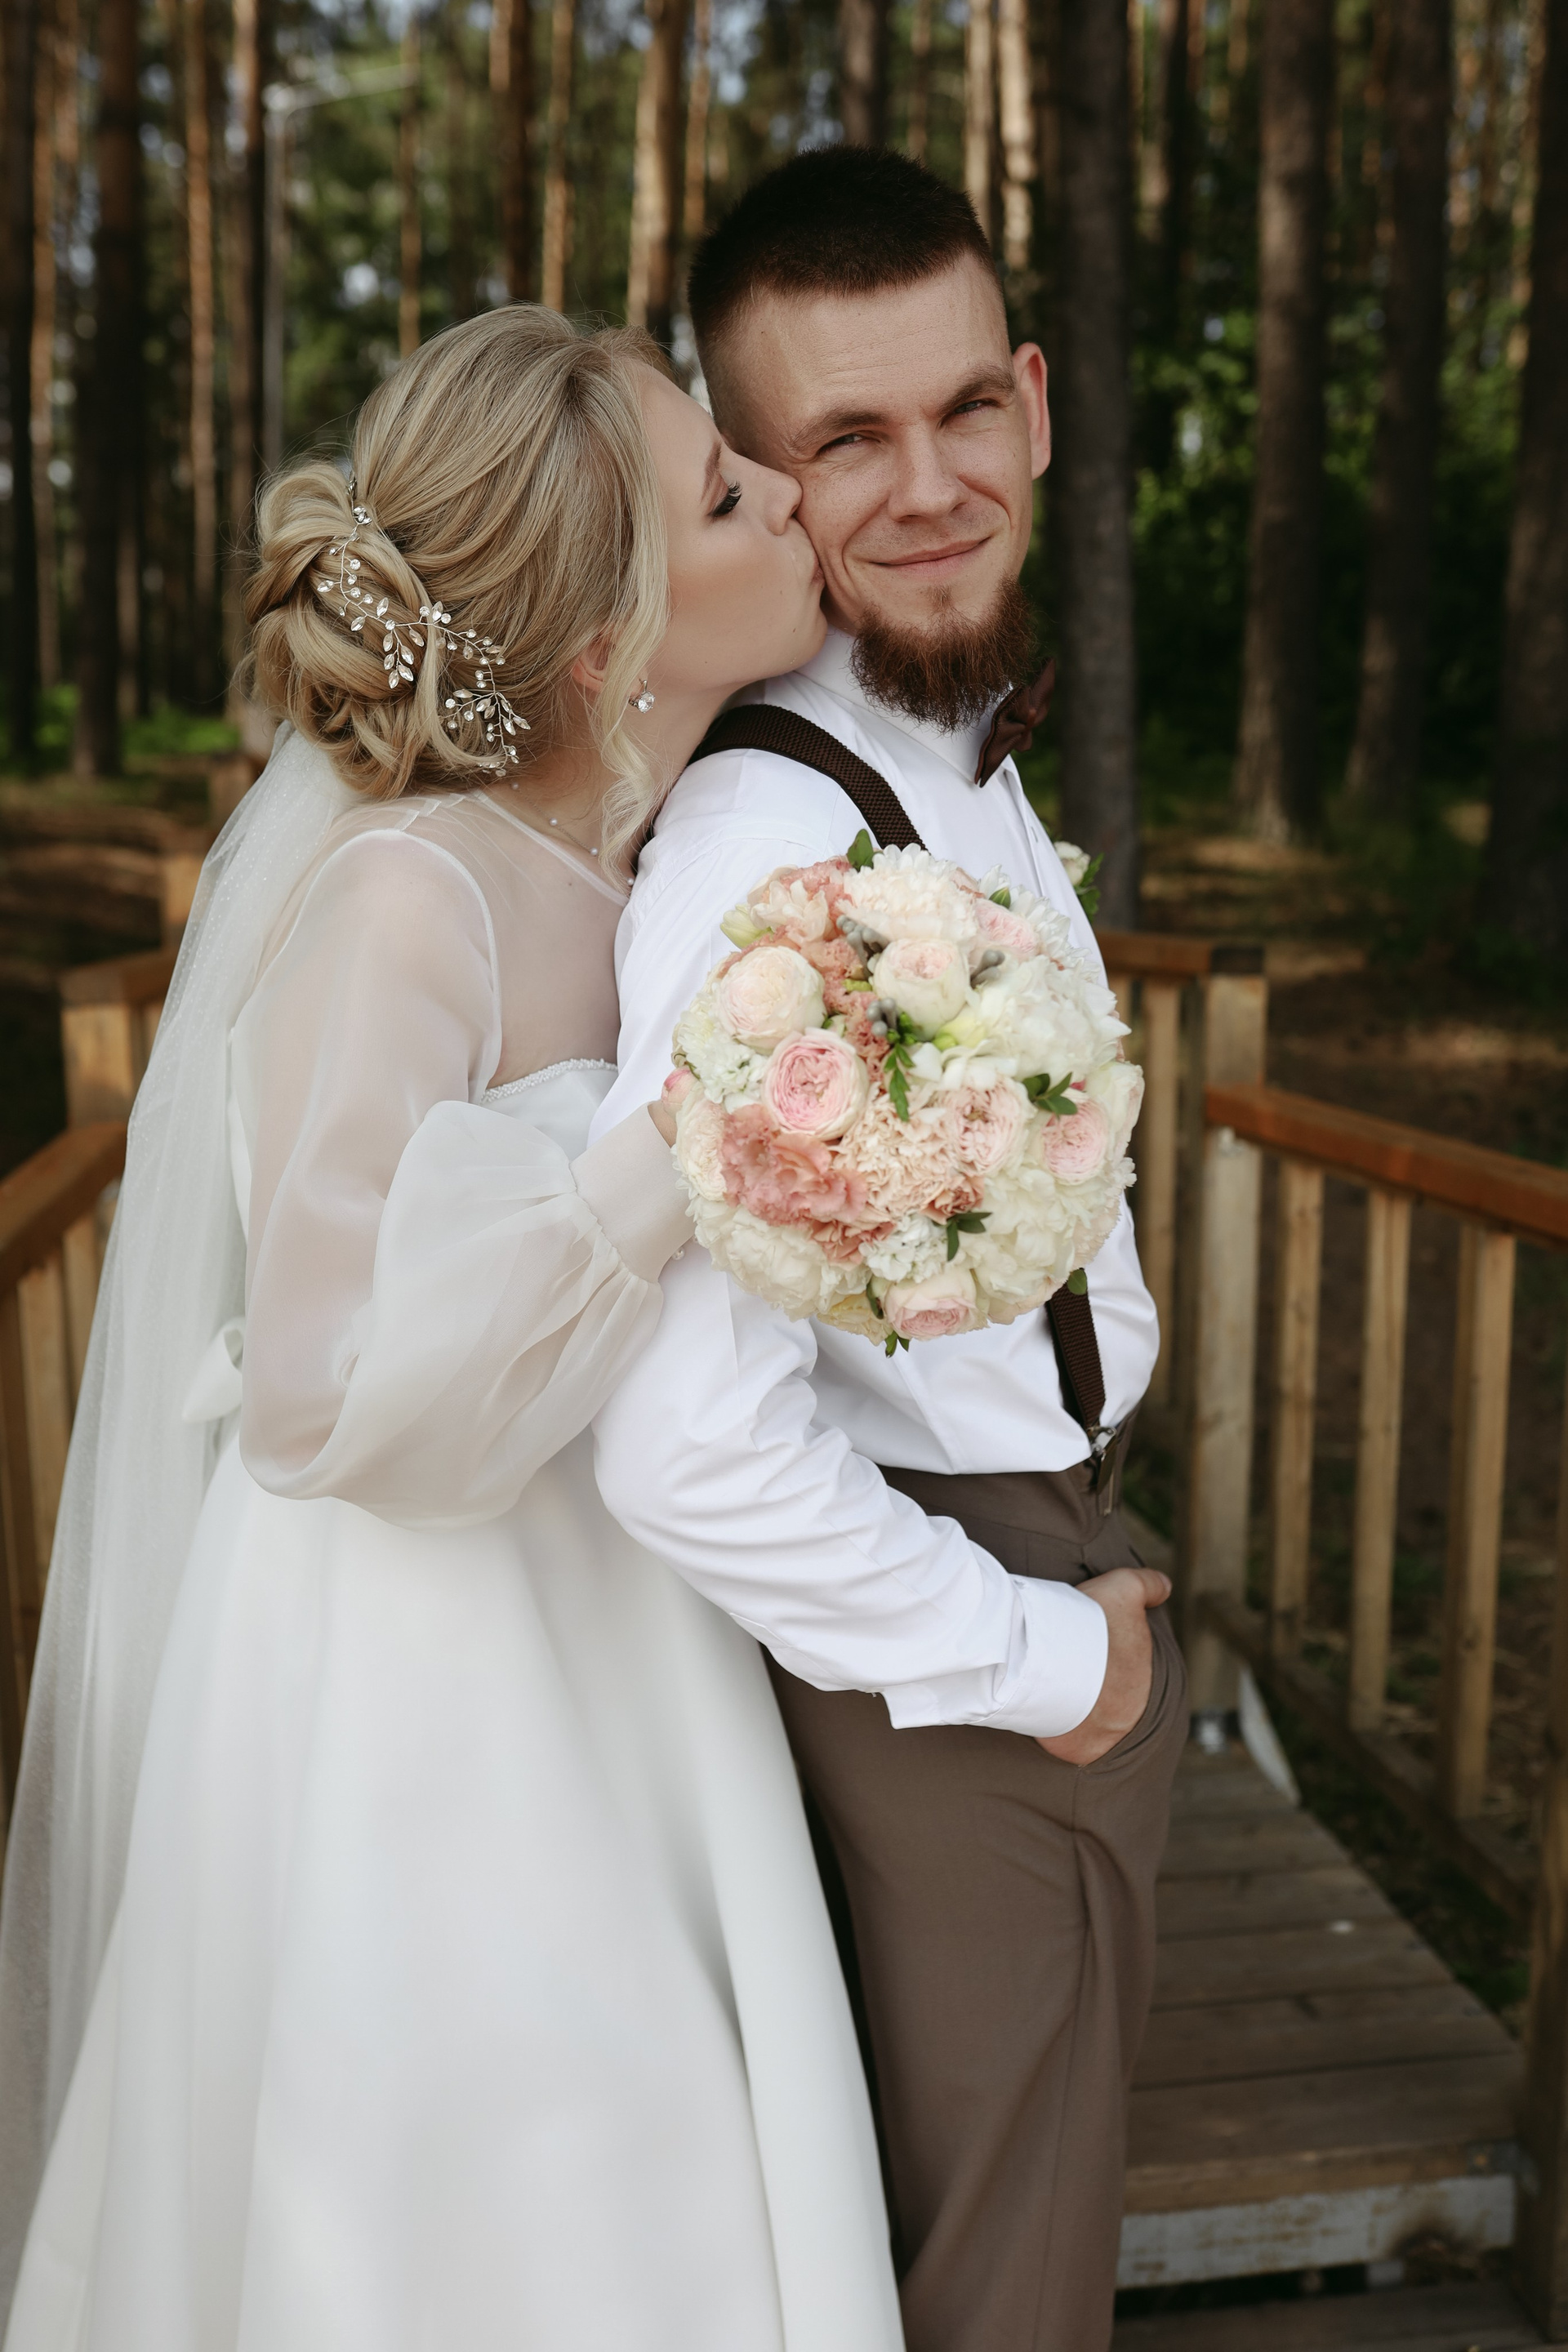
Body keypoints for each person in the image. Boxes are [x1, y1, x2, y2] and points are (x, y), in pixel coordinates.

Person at [0, 309, 905, 2352]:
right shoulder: (414, 894)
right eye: (728, 493)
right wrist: (681, 1148)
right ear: (603, 643)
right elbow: (318, 1392)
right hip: (429, 1677)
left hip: (629, 1622)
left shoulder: (660, 855)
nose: (789, 498)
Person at [594, 148, 1187, 2352]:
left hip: (1018, 1555)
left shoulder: (943, 736)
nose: (931, 488)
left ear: (1035, 396)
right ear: (754, 484)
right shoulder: (770, 847)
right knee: (1001, 2295)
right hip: (952, 1637)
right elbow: (683, 1445)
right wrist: (1056, 1668)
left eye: (962, 411)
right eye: (846, 441)